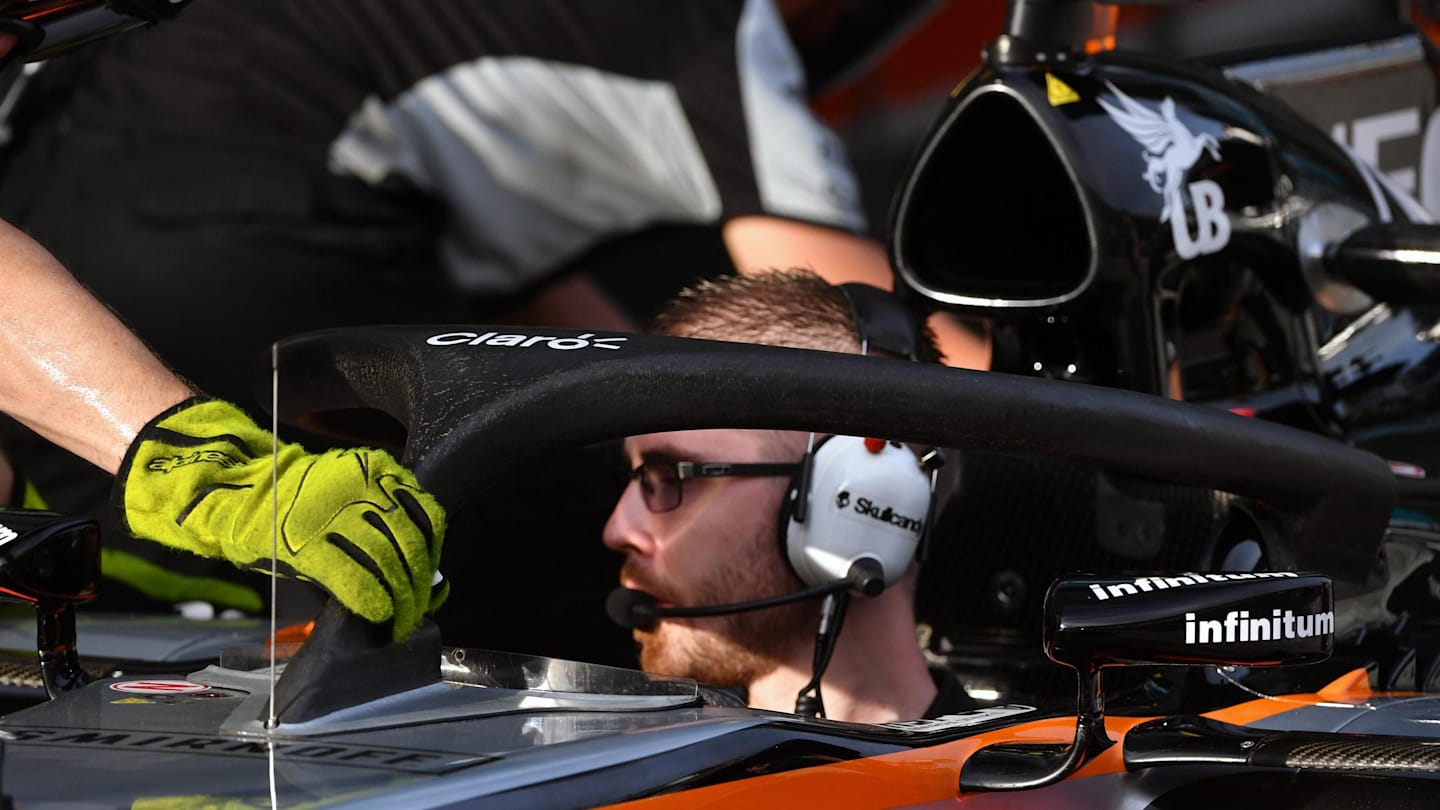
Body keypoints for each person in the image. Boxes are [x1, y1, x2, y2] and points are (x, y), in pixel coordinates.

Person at [0, 0, 986, 617]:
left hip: (78, 217)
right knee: (531, 545)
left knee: (545, 491)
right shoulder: (719, 28)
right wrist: (1106, 437)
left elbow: (573, 343)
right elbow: (857, 345)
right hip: (222, 225)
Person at [602, 268, 977, 722]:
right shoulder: (632, 776)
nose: (617, 529)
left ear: (859, 496)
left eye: (672, 476)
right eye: (637, 476)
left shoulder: (1035, 790)